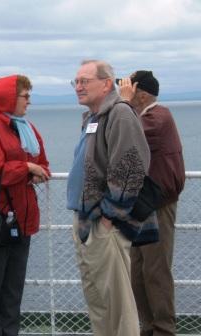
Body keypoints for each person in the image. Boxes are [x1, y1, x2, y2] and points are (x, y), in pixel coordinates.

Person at [67, 60, 158, 336]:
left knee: (118, 307)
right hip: (87, 222)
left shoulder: (120, 114)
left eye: (85, 81)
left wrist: (108, 217)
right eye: (76, 82)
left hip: (104, 224)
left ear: (107, 84)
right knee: (99, 302)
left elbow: (131, 167)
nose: (78, 87)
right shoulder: (94, 117)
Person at [0, 74, 51, 336]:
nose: (29, 102)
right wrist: (27, 167)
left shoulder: (25, 127)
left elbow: (43, 163)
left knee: (13, 288)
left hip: (21, 218)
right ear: (9, 98)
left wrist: (35, 169)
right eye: (25, 96)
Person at [118, 71, 185, 336]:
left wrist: (121, 104)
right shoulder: (147, 118)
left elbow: (122, 134)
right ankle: (147, 328)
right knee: (138, 271)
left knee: (155, 271)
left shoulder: (156, 119)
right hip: (143, 205)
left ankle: (163, 330)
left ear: (142, 94)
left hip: (157, 205)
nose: (123, 92)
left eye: (128, 88)